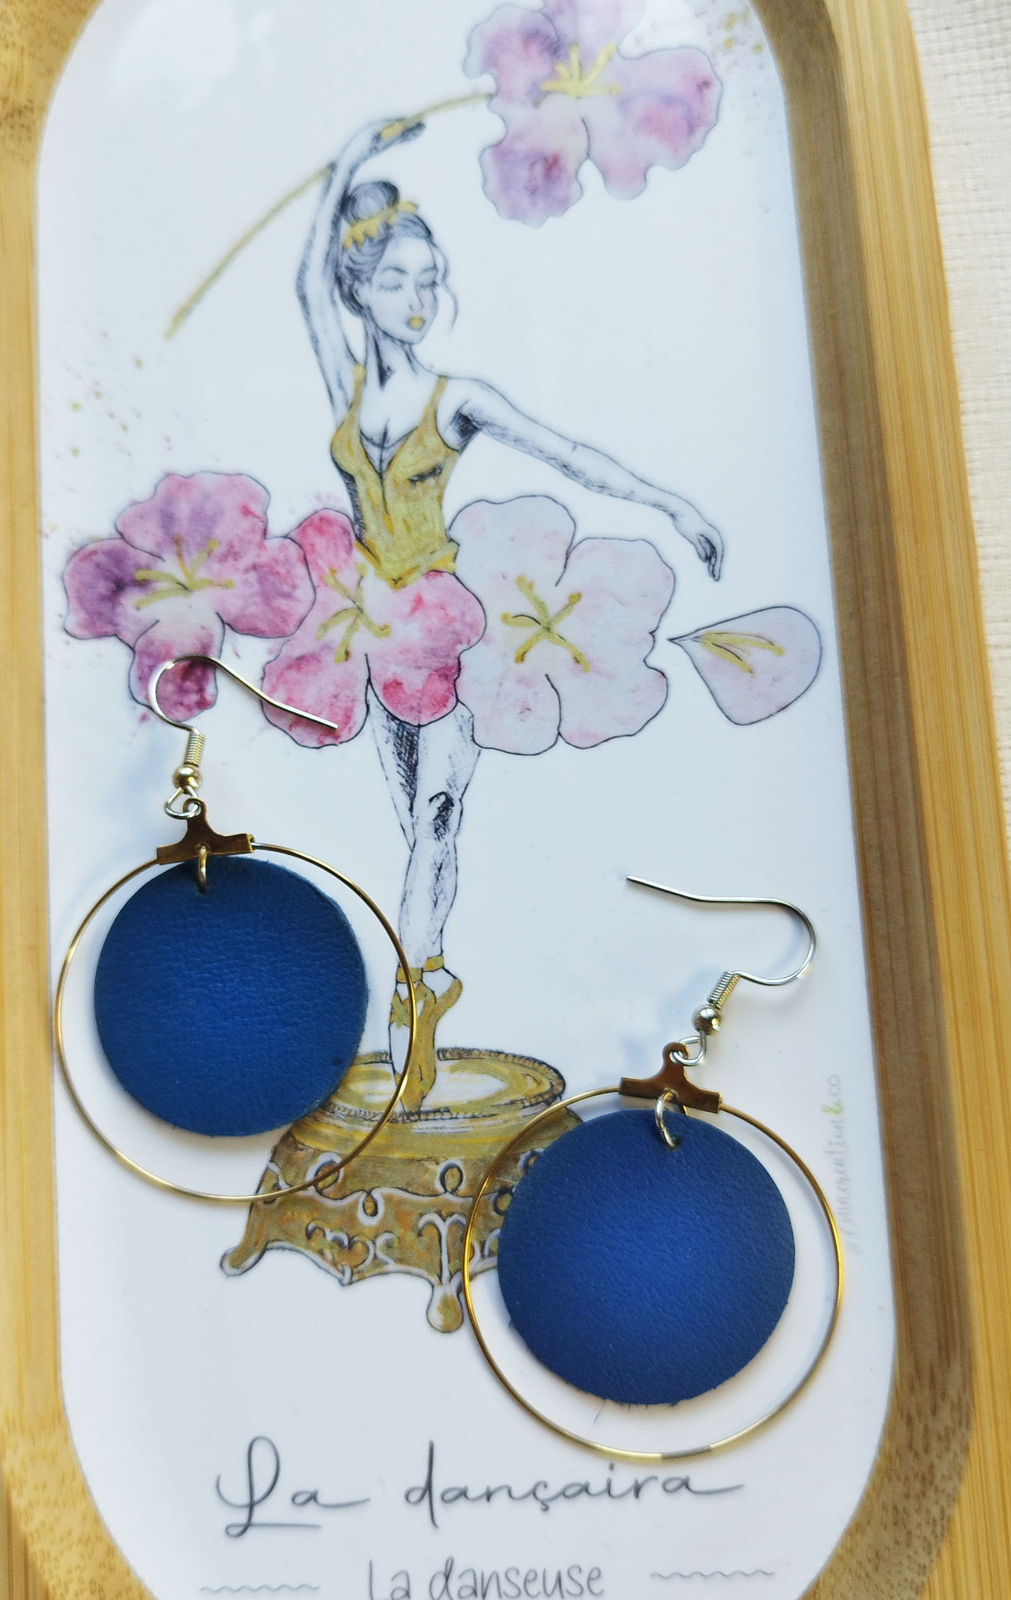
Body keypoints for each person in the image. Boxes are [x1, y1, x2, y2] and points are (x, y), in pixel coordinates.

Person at [296, 118, 724, 1103]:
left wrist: (672, 504)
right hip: (372, 636)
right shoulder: (347, 388)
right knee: (419, 829)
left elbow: (568, 453)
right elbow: (306, 283)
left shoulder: (457, 397)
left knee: (438, 817)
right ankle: (428, 990)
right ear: (363, 291)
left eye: (430, 280)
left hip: (450, 630)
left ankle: (413, 1006)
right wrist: (351, 157)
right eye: (397, 281)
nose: (418, 298)